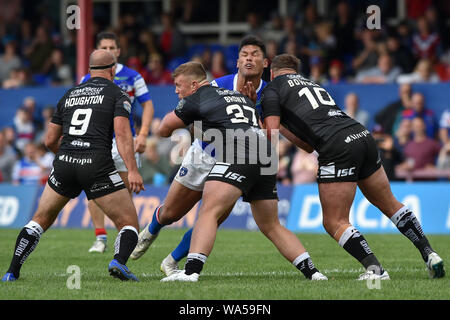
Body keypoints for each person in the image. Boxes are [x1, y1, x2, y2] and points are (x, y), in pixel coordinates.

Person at [261, 53, 445, 280]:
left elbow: (270, 132)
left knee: (333, 221)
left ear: (272, 72)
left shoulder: (272, 89)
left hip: (336, 146)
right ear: (295, 71)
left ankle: (376, 271)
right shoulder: (313, 84)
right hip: (361, 134)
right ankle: (429, 253)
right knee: (390, 204)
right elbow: (308, 146)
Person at [158, 61, 326, 282]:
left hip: (238, 154)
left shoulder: (197, 97)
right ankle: (313, 273)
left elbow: (163, 130)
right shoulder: (240, 97)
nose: (177, 90)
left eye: (179, 85)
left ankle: (190, 273)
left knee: (209, 212)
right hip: (265, 156)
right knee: (272, 225)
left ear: (194, 84)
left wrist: (189, 118)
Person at [2, 49, 145, 282]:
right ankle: (118, 261)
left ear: (89, 71)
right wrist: (133, 170)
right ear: (112, 70)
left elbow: (49, 140)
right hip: (97, 165)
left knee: (39, 220)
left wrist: (68, 157)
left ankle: (12, 271)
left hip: (65, 163)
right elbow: (122, 136)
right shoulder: (118, 94)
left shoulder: (69, 94)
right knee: (128, 223)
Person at [130, 35, 268, 275]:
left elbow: (268, 129)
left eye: (255, 54)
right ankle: (151, 230)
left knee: (212, 216)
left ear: (265, 62)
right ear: (237, 61)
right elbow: (193, 115)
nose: (249, 59)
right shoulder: (218, 84)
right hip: (205, 154)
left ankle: (172, 260)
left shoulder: (269, 93)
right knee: (172, 212)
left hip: (238, 161)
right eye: (245, 54)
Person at [80, 32, 155, 253]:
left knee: (124, 193)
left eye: (113, 47)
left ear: (118, 51)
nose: (110, 51)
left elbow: (147, 105)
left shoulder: (133, 76)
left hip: (125, 140)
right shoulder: (87, 78)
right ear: (98, 50)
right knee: (94, 189)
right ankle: (100, 237)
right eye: (105, 47)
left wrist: (142, 135)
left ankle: (125, 237)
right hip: (97, 142)